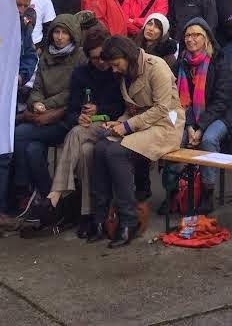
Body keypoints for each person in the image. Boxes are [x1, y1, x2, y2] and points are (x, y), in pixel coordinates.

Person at [83, 36, 183, 248]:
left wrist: (127, 127)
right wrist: (118, 123)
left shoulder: (157, 67)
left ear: (126, 56)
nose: (114, 70)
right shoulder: (125, 73)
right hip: (141, 124)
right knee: (100, 148)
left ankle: (129, 220)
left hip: (166, 125)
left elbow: (162, 109)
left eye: (116, 64)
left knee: (115, 152)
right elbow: (132, 110)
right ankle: (99, 218)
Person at [43, 25, 121, 236]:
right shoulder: (81, 74)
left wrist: (100, 109)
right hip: (86, 129)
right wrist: (78, 116)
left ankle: (55, 194)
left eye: (103, 57)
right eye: (95, 58)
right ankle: (89, 214)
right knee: (86, 152)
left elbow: (121, 107)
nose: (101, 62)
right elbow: (71, 109)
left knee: (77, 133)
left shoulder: (116, 72)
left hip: (112, 126)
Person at [165, 19, 232, 215]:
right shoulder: (180, 64)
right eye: (187, 35)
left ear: (206, 38)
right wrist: (190, 125)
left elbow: (222, 99)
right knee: (174, 139)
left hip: (221, 114)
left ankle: (208, 191)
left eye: (196, 35)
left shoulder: (219, 61)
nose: (191, 39)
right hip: (189, 116)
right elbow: (178, 100)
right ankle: (172, 191)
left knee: (209, 139)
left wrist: (200, 127)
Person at [14, 14, 84, 223]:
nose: (59, 37)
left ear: (72, 35)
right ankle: (47, 196)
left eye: (64, 33)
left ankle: (21, 188)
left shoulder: (79, 57)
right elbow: (37, 86)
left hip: (63, 118)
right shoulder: (46, 55)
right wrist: (37, 102)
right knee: (32, 150)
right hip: (42, 111)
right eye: (56, 32)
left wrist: (48, 105)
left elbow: (72, 92)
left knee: (19, 134)